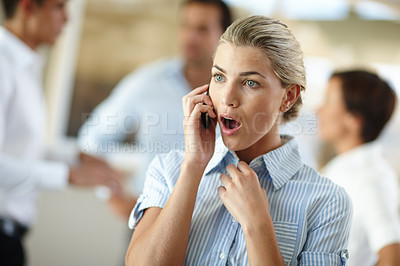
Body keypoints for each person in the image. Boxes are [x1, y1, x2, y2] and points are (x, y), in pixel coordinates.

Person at [125, 15, 353, 265]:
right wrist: (193, 166)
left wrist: (258, 225)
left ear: (288, 96)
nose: (228, 98)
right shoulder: (167, 171)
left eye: (250, 82)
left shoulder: (327, 202)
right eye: (219, 77)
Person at [78, 0, 232, 219]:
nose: (190, 37)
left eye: (202, 29)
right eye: (186, 26)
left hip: (215, 232)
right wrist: (112, 193)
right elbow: (92, 138)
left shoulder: (237, 95)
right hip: (149, 223)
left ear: (225, 35)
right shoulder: (148, 82)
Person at [0, 0, 123, 265]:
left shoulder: (22, 65)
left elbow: (18, 148)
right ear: (28, 7)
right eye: (59, 7)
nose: (67, 20)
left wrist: (74, 156)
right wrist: (68, 175)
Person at [318, 70, 400, 266]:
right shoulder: (344, 166)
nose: (319, 110)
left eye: (328, 101)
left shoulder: (370, 176)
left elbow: (393, 255)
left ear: (354, 120)